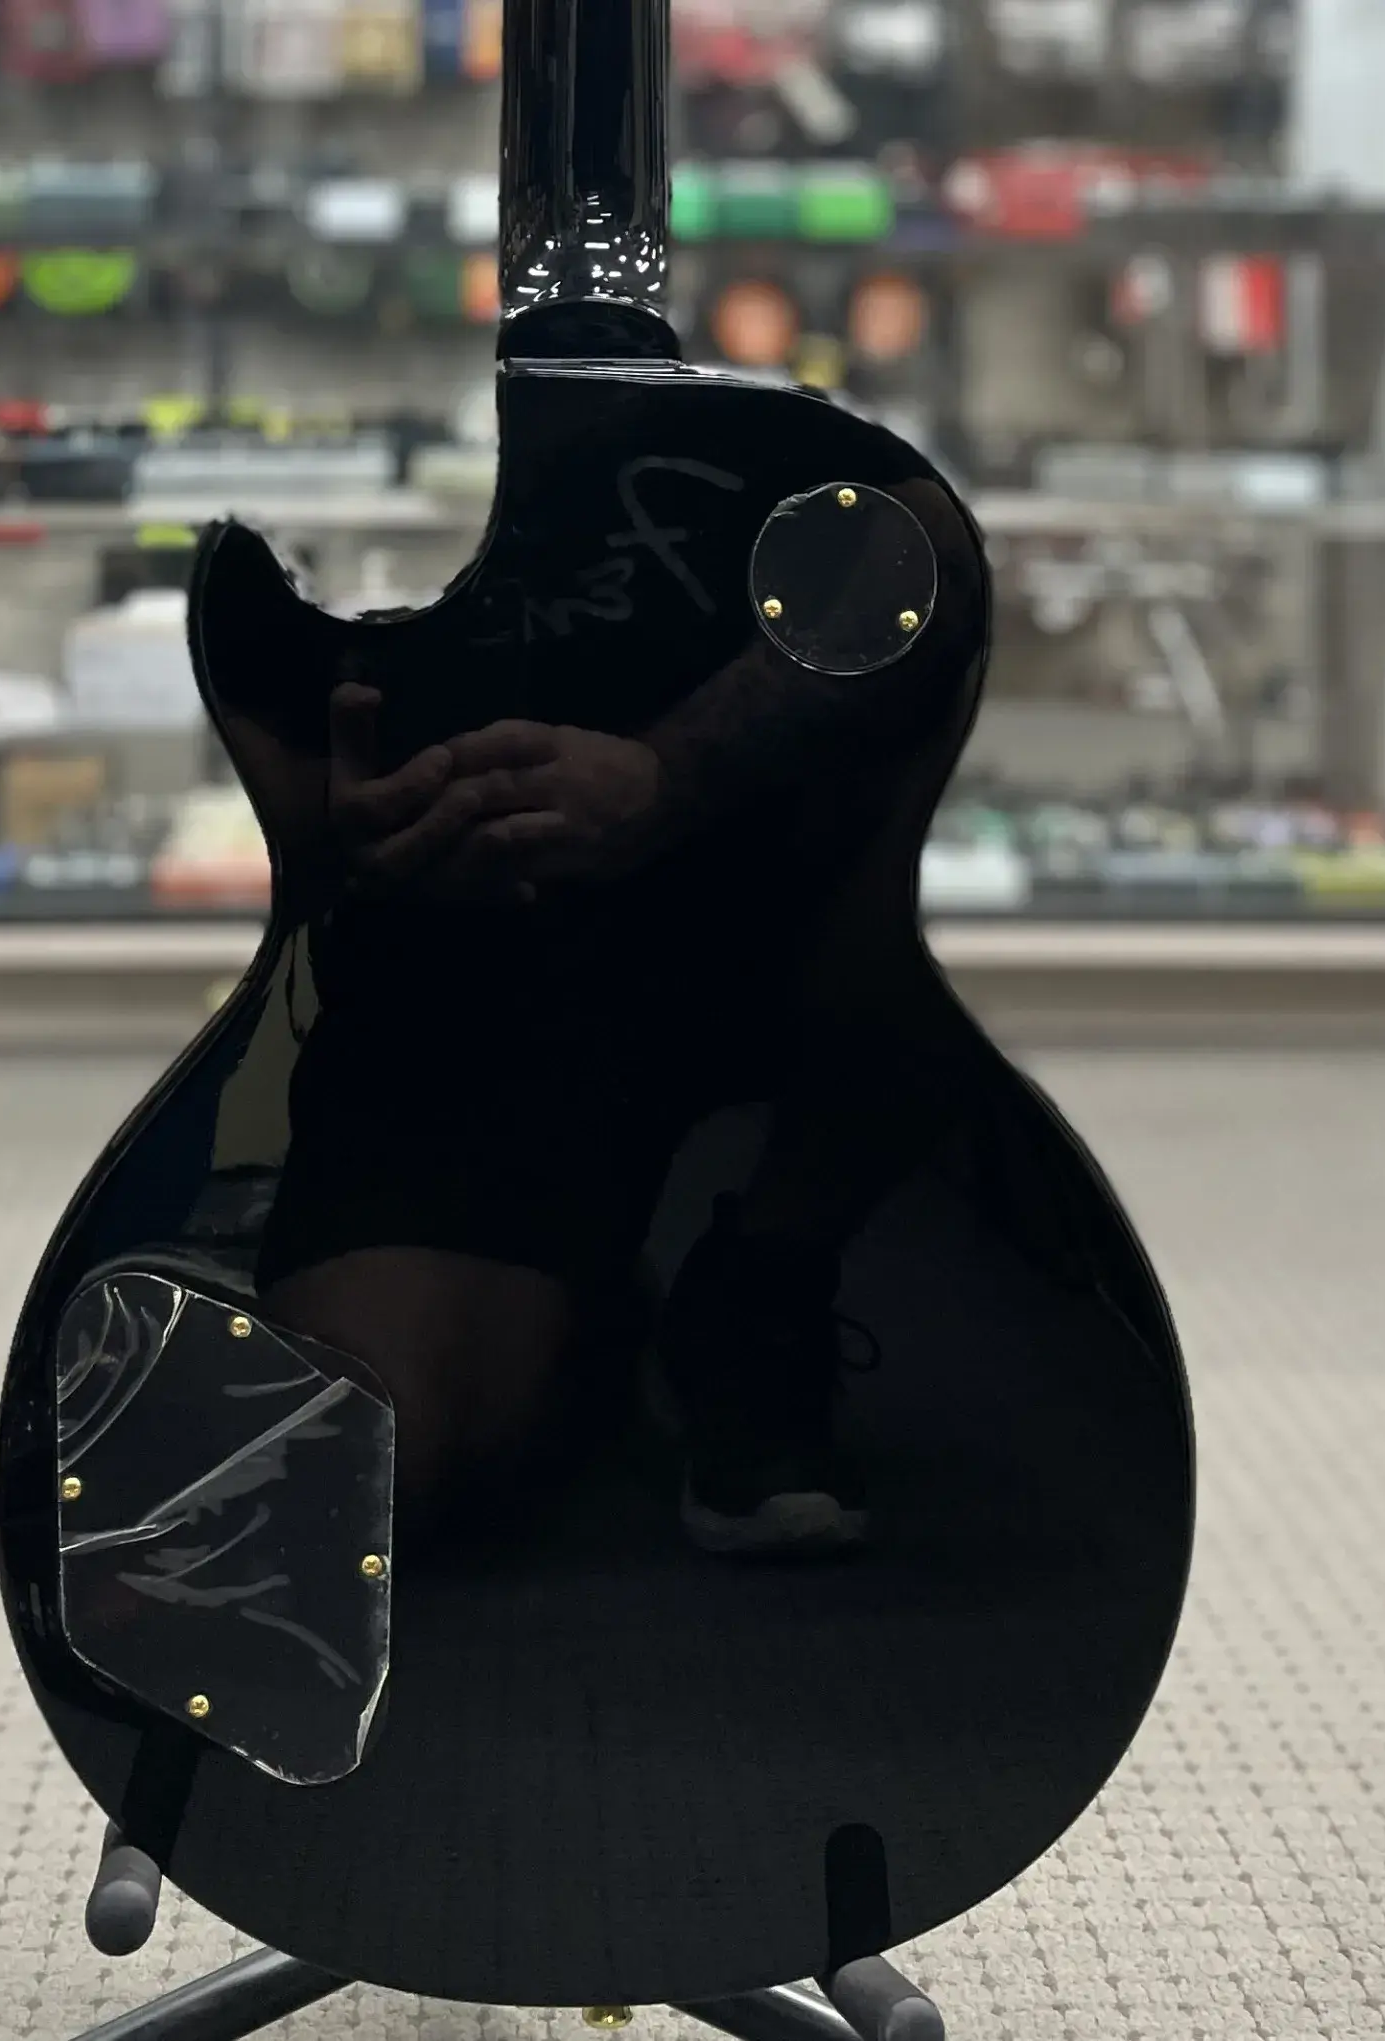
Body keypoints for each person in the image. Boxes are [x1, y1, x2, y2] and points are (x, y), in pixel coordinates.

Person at [234, 476, 985, 1554]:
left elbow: (938, 549)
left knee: (979, 900)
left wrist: (669, 778)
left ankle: (761, 1278)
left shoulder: (778, 420)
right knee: (375, 1470)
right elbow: (244, 691)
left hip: (769, 891)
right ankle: (597, 1318)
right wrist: (331, 828)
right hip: (459, 943)